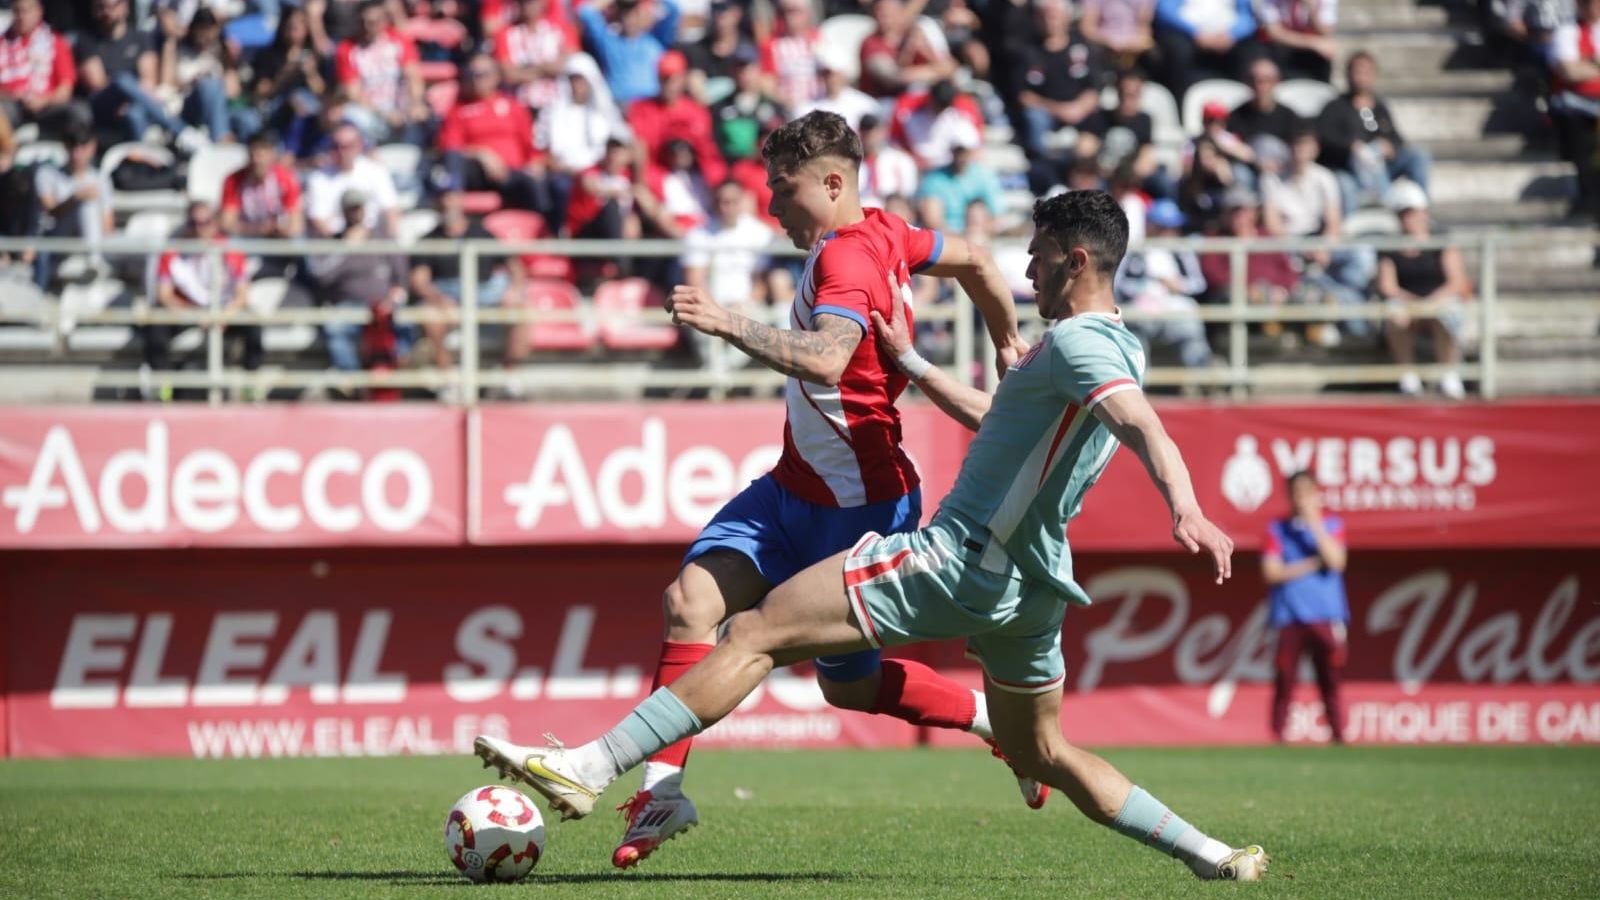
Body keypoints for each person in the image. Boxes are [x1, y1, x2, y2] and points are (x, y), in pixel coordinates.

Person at [473, 189, 1269, 883]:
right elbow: (1002, 422)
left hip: (958, 561)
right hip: (1033, 591)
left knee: (752, 631)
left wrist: (1185, 506)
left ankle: (587, 768)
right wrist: (914, 364)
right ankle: (1211, 853)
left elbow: (1139, 422)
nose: (1026, 270)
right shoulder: (1098, 348)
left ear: (1077, 259)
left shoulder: (1080, 341)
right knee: (1046, 756)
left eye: (1038, 257)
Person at [508, 110, 1032, 870]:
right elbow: (982, 262)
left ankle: (997, 723)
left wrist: (727, 323)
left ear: (831, 182)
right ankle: (660, 790)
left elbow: (826, 358)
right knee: (691, 603)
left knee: (848, 691)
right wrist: (1005, 342)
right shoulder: (890, 233)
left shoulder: (846, 261)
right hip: (791, 490)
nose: (770, 206)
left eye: (782, 190)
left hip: (862, 509)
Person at [409, 184, 530, 384]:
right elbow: (419, 280)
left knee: (521, 309)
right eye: (442, 197)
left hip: (485, 293)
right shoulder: (428, 239)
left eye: (451, 196)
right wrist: (439, 299)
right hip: (449, 293)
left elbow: (516, 268)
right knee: (429, 315)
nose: (447, 203)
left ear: (460, 199)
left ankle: (510, 376)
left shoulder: (482, 233)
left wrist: (513, 290)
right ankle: (448, 379)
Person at [1263, 469, 1349, 744]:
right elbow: (1271, 572)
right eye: (1296, 493)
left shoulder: (1332, 525)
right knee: (1284, 680)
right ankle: (1278, 736)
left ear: (1316, 494)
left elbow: (1336, 561)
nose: (1301, 499)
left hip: (1326, 616)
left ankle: (1339, 735)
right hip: (1289, 616)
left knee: (1330, 680)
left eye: (1306, 492)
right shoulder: (1277, 529)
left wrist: (1314, 523)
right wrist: (1312, 564)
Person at [143, 200, 262, 388]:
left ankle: (252, 383)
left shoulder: (231, 250)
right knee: (155, 326)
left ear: (215, 223)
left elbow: (242, 295)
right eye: (193, 223)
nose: (199, 230)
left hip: (222, 310)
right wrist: (195, 315)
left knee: (254, 322)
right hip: (187, 310)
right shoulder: (172, 251)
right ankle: (162, 386)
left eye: (205, 223)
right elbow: (164, 296)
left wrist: (223, 316)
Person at [437, 55, 561, 225]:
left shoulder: (513, 106)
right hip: (478, 172)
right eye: (471, 74)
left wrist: (535, 163)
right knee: (453, 162)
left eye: (481, 74)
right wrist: (481, 154)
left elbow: (530, 144)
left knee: (540, 183)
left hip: (511, 173)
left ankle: (546, 237)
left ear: (495, 77)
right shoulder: (459, 109)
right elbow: (450, 146)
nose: (475, 80)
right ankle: (452, 216)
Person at [1375, 181, 1471, 399]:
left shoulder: (1441, 240)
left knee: (1448, 313)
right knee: (1395, 313)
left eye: (1412, 212)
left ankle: (1450, 375)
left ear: (1424, 211)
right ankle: (1408, 378)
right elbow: (1386, 285)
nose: (1409, 218)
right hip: (1408, 304)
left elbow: (1457, 282)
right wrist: (1414, 303)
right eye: (1403, 213)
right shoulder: (1390, 247)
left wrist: (1431, 303)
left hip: (1438, 300)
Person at [1315, 52, 1431, 212]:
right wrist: (1351, 147)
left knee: (1417, 156)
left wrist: (1390, 146)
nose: (1361, 77)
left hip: (1382, 168)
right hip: (1350, 170)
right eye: (1357, 72)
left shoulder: (1379, 107)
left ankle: (1420, 213)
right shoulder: (1335, 107)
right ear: (1348, 74)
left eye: (1366, 72)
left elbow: (1397, 138)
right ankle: (1385, 206)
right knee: (1360, 162)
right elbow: (1324, 140)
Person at [1116, 197, 1212, 372]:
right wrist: (1143, 287)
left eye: (1173, 227)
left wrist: (1179, 286)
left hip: (1174, 308)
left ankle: (1202, 381)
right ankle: (1138, 387)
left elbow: (1199, 284)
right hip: (1141, 309)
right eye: (1164, 227)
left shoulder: (1182, 252)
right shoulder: (1135, 249)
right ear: (1151, 226)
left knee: (1191, 327)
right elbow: (1119, 283)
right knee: (1133, 334)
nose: (1170, 232)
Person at [77, 0, 189, 145]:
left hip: (135, 103)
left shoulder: (140, 38)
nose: (107, 12)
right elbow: (97, 84)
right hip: (103, 104)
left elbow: (148, 81)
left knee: (134, 113)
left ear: (125, 6)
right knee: (122, 80)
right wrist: (128, 93)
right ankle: (181, 130)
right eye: (101, 7)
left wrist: (132, 99)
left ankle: (145, 156)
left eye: (113, 6)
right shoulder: (86, 40)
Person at [334, 0, 428, 145]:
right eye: (363, 22)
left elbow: (413, 76)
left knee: (422, 115)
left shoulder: (399, 41)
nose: (368, 27)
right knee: (350, 116)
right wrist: (385, 114)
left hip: (401, 107)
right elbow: (354, 93)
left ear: (384, 21)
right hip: (371, 111)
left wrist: (414, 103)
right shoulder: (347, 49)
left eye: (373, 22)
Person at [33, 126, 114, 287]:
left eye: (82, 146)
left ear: (92, 147)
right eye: (72, 146)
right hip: (55, 236)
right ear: (65, 147)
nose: (77, 153)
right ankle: (94, 260)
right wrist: (75, 198)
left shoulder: (101, 179)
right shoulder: (47, 173)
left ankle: (94, 261)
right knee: (85, 202)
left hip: (89, 239)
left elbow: (107, 225)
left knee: (89, 205)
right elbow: (50, 211)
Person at [1548, 0, 1600, 233]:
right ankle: (1587, 198)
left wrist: (1588, 66)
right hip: (1576, 106)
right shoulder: (1567, 32)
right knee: (1584, 140)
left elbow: (1579, 69)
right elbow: (1569, 71)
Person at [0, 0, 86, 137]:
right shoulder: (2, 43)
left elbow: (66, 89)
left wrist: (42, 101)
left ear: (39, 12)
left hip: (48, 105)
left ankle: (76, 154)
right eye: (17, 11)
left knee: (79, 111)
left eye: (26, 11)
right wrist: (13, 95)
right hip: (11, 105)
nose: (22, 16)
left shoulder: (55, 42)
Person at [305, 121, 401, 237]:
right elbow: (318, 219)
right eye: (335, 146)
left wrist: (392, 244)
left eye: (346, 147)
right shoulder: (318, 178)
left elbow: (390, 210)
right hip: (335, 246)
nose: (341, 152)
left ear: (359, 145)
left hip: (373, 243)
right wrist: (344, 243)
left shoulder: (376, 171)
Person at [577, 0, 681, 106]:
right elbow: (585, 12)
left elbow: (673, 9)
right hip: (618, 107)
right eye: (624, 14)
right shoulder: (609, 41)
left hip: (650, 108)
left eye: (634, 14)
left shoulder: (655, 40)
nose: (629, 20)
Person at [1153, 0, 1260, 100]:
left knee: (1252, 55)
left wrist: (1232, 34)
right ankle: (1184, 106)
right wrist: (1195, 32)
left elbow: (1247, 17)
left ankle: (1245, 109)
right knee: (1178, 53)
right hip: (1187, 36)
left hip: (1228, 38)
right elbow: (1165, 11)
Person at [858, 0, 958, 99]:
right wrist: (935, 72)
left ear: (901, 12)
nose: (885, 17)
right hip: (884, 101)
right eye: (881, 12)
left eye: (891, 12)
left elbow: (950, 68)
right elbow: (893, 78)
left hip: (923, 99)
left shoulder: (916, 33)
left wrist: (926, 51)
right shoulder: (871, 44)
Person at [915, 124, 1005, 234]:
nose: (961, 155)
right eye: (958, 150)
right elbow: (932, 220)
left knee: (977, 211)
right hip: (946, 240)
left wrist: (975, 233)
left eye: (965, 150)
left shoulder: (985, 176)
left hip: (978, 238)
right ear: (952, 150)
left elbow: (997, 218)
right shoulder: (934, 180)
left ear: (972, 150)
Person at [494, 0, 579, 110]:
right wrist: (546, 68)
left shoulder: (560, 28)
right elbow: (509, 74)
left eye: (531, 2)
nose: (526, 6)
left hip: (557, 104)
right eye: (522, 2)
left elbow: (568, 63)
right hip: (521, 105)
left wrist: (526, 69)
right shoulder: (505, 34)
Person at [1227, 58, 1301, 151]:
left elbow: (1301, 147)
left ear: (1276, 82)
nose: (1259, 86)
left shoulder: (1290, 118)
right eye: (1254, 80)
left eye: (1266, 80)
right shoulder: (1235, 117)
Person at [1257, 0, 1338, 82]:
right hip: (1283, 48)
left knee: (1327, 51)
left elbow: (1326, 32)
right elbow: (1274, 33)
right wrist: (1313, 43)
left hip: (1312, 52)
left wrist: (1311, 9)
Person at [857, 113, 920, 209]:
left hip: (891, 214)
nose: (870, 137)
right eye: (865, 132)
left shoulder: (901, 160)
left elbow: (907, 195)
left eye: (875, 131)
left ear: (884, 132)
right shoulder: (852, 164)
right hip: (861, 213)